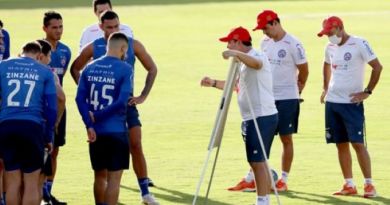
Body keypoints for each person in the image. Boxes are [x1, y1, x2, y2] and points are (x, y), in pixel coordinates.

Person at [70, 10, 159, 205]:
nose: (113, 30)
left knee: (135, 144)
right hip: (112, 111)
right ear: (100, 27)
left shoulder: (131, 44)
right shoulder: (95, 47)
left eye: (116, 26)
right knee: (109, 175)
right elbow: (74, 68)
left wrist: (143, 95)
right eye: (109, 27)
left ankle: (145, 192)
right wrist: (92, 94)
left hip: (124, 106)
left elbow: (152, 68)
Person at [228, 10, 309, 192]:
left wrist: (298, 88)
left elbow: (304, 69)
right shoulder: (264, 43)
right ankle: (254, 176)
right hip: (267, 97)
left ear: (275, 23)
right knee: (262, 137)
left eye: (265, 28)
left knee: (286, 138)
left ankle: (283, 178)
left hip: (287, 96)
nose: (264, 32)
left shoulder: (293, 44)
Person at [200, 26, 278, 205]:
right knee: (256, 161)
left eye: (230, 42)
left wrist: (235, 54)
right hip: (251, 118)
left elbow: (257, 64)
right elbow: (235, 85)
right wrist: (212, 83)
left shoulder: (257, 56)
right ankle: (264, 194)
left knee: (256, 161)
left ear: (238, 42)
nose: (227, 45)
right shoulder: (242, 62)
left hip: (262, 117)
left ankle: (262, 201)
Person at [317, 16, 383, 198]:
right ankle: (349, 184)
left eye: (330, 33)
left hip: (351, 105)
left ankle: (369, 184)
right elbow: (326, 65)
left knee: (358, 144)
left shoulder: (359, 43)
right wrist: (325, 88)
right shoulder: (329, 47)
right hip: (332, 103)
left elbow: (377, 67)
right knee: (340, 144)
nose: (328, 37)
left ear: (339, 28)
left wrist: (367, 91)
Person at [75, 32, 132, 205]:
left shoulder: (90, 67)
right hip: (117, 131)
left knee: (99, 176)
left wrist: (89, 124)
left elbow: (79, 99)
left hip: (96, 132)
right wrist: (98, 116)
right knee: (114, 180)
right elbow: (122, 101)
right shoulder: (125, 68)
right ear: (122, 48)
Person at [0, 41, 57, 205]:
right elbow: (51, 108)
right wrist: (48, 136)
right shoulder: (45, 72)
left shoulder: (3, 66)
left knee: (12, 182)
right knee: (31, 182)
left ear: (20, 53)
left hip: (6, 126)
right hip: (32, 127)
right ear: (39, 56)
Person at [41, 11, 72, 205]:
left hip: (59, 106)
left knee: (55, 151)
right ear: (44, 28)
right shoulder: (37, 49)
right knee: (41, 150)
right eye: (54, 27)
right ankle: (38, 192)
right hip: (41, 107)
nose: (58, 30)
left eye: (61, 26)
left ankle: (48, 193)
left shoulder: (65, 51)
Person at [36, 39, 66, 205]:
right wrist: (56, 122)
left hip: (17, 122)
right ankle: (45, 194)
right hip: (43, 124)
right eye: (49, 56)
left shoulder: (12, 68)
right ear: (42, 56)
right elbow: (61, 98)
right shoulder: (48, 73)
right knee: (37, 174)